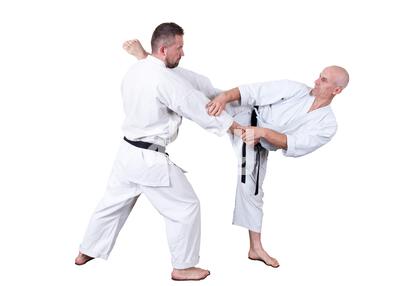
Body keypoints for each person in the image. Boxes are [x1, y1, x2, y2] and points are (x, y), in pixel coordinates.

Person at [123, 40, 349, 268]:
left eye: (324, 80)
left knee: (251, 189)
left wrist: (263, 132)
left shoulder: (327, 125)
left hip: (258, 140)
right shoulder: (295, 89)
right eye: (320, 76)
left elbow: (294, 143)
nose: (316, 80)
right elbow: (253, 92)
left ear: (336, 90)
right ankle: (148, 61)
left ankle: (255, 248)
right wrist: (223, 98)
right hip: (244, 114)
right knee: (206, 92)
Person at [75, 22, 242, 281]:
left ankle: (87, 250)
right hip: (148, 158)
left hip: (127, 152)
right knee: (185, 207)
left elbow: (181, 81)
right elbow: (195, 106)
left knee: (112, 204)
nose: (183, 53)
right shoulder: (164, 79)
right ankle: (183, 267)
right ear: (164, 49)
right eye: (180, 47)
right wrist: (236, 127)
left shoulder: (137, 69)